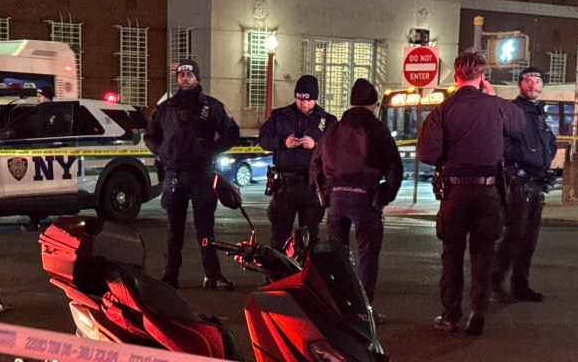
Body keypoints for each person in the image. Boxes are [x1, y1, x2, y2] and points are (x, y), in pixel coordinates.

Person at [416, 51, 524, 337]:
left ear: (456, 76)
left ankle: (451, 315)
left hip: (455, 192)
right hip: (488, 191)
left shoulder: (442, 110)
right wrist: (492, 95)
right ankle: (479, 309)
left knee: (452, 254)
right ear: (482, 77)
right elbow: (520, 125)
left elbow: (427, 153)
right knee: (483, 252)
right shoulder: (496, 106)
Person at [145, 59, 240, 290]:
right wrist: (164, 153)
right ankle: (170, 276)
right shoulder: (165, 109)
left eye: (189, 75)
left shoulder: (211, 107)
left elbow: (232, 133)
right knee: (173, 230)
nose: (184, 78)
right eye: (180, 75)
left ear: (197, 78)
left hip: (202, 174)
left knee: (205, 229)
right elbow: (150, 136)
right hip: (174, 175)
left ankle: (212, 274)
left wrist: (211, 150)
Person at [310, 78, 402, 317]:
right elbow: (395, 168)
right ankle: (363, 310)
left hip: (337, 199)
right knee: (367, 256)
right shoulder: (377, 129)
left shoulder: (334, 129)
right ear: (373, 104)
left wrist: (324, 194)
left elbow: (316, 164)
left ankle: (340, 307)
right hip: (365, 198)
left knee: (338, 258)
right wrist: (384, 195)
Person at [493, 66, 557, 302]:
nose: (532, 84)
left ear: (542, 86)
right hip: (519, 180)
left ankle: (520, 284)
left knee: (530, 237)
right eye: (527, 80)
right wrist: (527, 158)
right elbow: (505, 144)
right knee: (515, 234)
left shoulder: (540, 113)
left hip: (537, 182)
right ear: (520, 84)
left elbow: (549, 142)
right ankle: (496, 279)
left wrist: (544, 160)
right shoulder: (514, 110)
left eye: (537, 80)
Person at [259, 75, 336, 249]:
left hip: (312, 186)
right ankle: (277, 276)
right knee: (279, 237)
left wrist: (315, 145)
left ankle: (306, 275)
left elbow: (335, 149)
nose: (304, 104)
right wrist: (283, 143)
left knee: (309, 240)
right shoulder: (280, 116)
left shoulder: (328, 121)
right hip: (285, 185)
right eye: (300, 99)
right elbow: (264, 139)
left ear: (315, 98)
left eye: (309, 100)